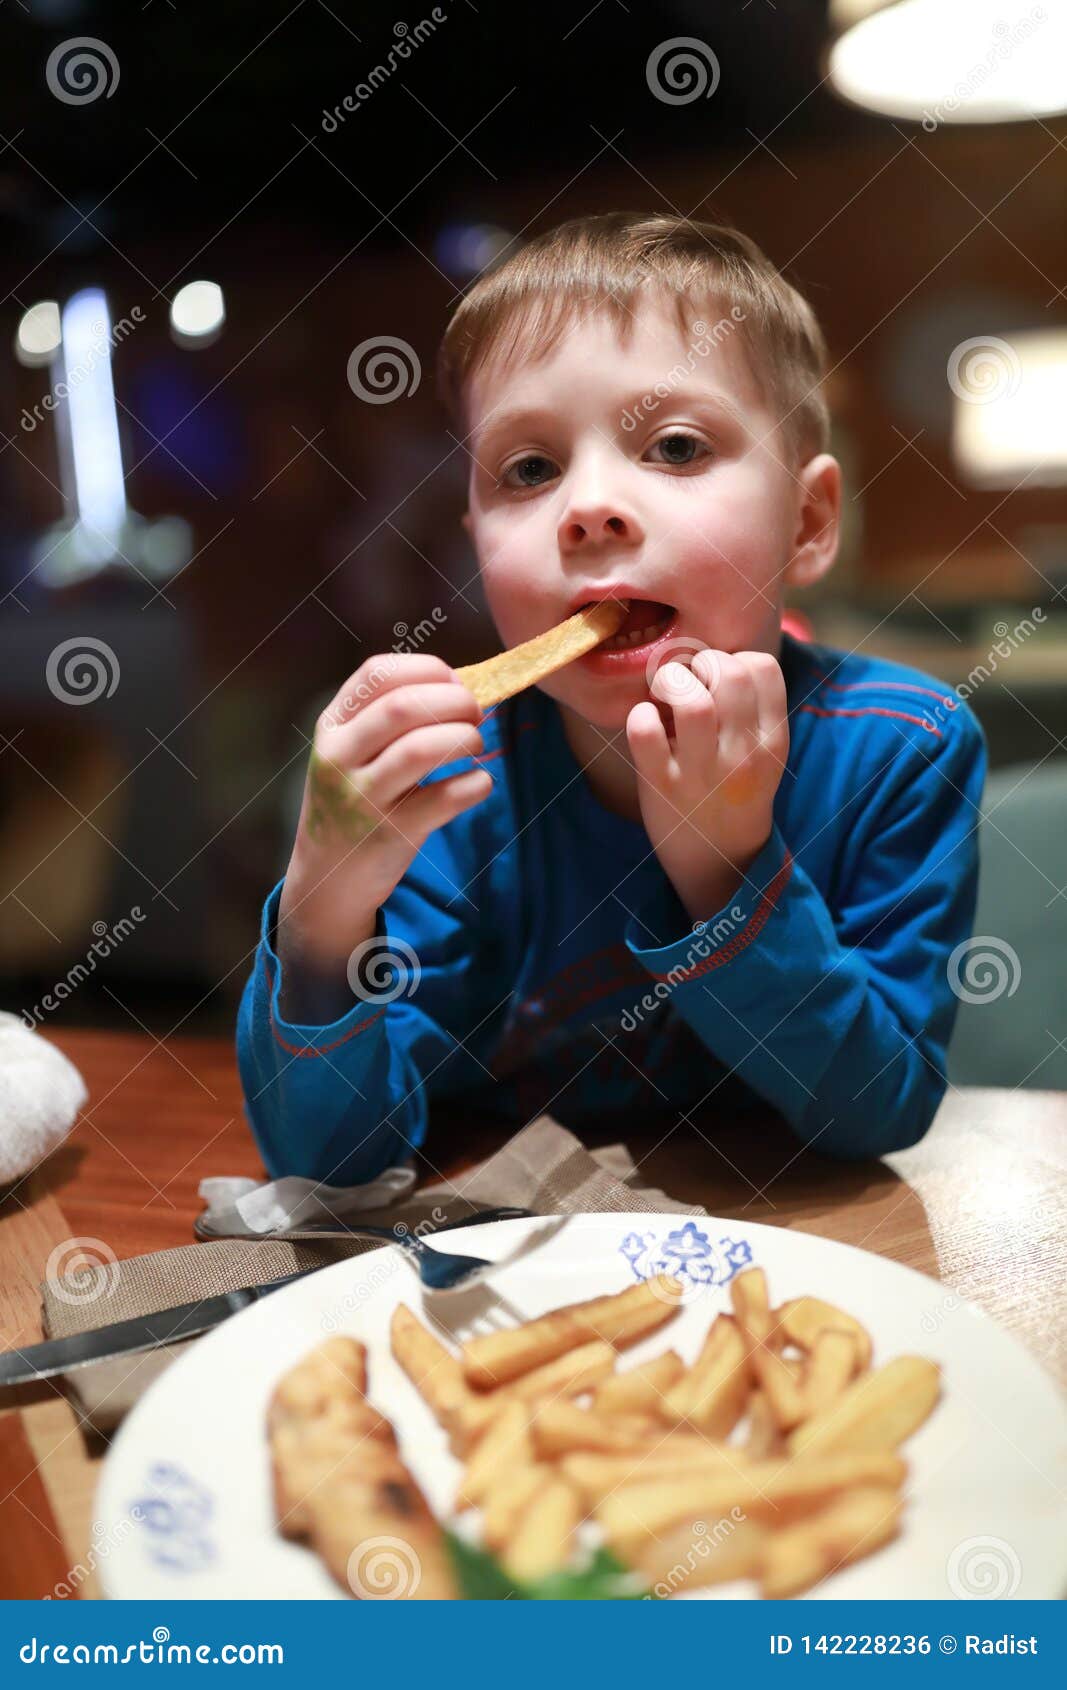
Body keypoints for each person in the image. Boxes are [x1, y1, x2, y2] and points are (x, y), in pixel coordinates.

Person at [237, 212, 986, 1186]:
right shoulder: (449, 789)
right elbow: (328, 1162)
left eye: (674, 447)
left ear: (803, 521)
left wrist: (722, 873)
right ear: (475, 539)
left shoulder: (900, 751)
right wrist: (323, 911)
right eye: (529, 468)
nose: (586, 506)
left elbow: (876, 1110)